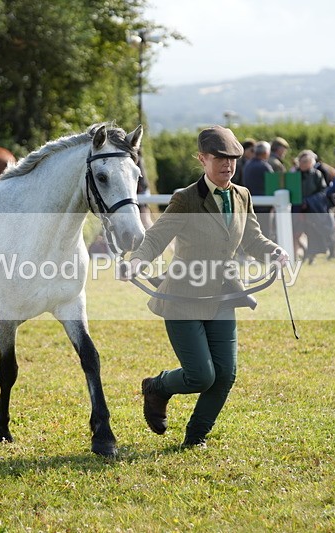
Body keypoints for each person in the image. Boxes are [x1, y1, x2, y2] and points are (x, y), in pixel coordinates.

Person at [121, 125, 289, 449]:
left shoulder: (242, 196)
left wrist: (274, 251)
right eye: (219, 158)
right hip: (183, 297)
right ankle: (156, 387)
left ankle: (195, 436)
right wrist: (137, 261)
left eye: (232, 159)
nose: (227, 165)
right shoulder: (186, 198)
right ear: (202, 158)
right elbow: (156, 236)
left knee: (225, 375)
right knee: (201, 376)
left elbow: (252, 237)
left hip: (224, 295)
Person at [293, 150, 332, 263]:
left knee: (313, 233)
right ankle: (295, 256)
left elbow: (323, 191)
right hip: (297, 209)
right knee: (295, 233)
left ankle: (311, 256)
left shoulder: (317, 174)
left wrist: (309, 201)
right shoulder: (294, 174)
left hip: (312, 208)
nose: (304, 164)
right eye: (302, 161)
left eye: (306, 161)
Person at [242, 140, 274, 239]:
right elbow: (272, 187)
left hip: (250, 204)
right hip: (264, 207)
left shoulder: (247, 165)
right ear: (266, 153)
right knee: (265, 233)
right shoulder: (265, 167)